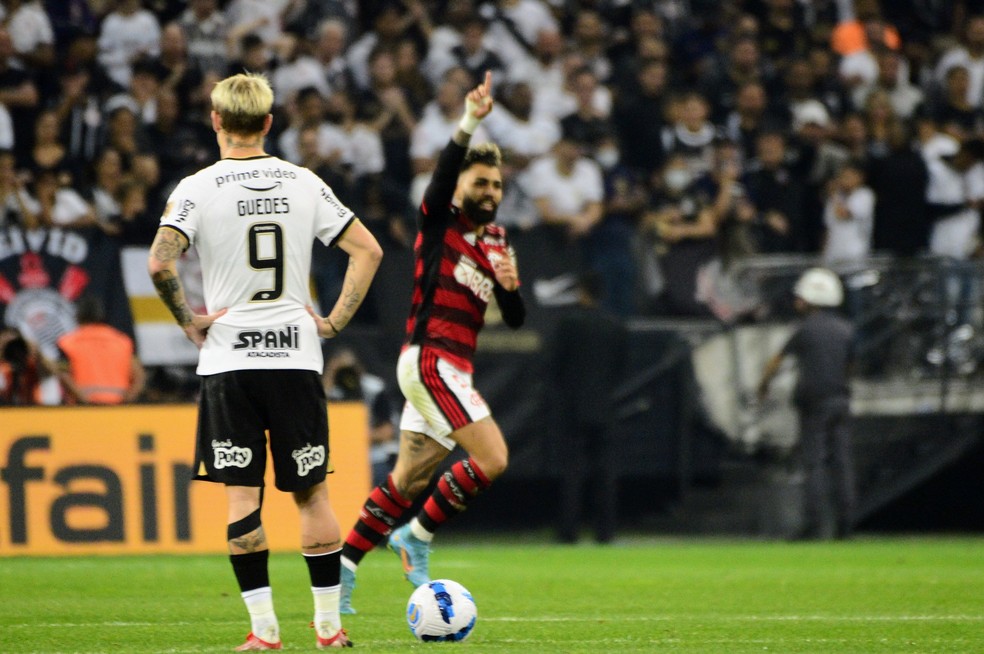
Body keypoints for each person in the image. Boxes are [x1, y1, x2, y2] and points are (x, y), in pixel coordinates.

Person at [147, 72, 382, 651]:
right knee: (313, 495)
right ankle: (329, 628)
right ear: (270, 123)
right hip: (296, 357)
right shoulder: (304, 182)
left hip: (229, 361)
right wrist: (333, 321)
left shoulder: (197, 187)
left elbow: (159, 263)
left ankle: (264, 631)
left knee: (242, 497)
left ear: (216, 121)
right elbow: (368, 250)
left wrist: (188, 319)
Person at [338, 71, 525, 613]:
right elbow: (442, 175)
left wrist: (511, 291)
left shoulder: (495, 239)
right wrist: (470, 120)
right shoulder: (440, 219)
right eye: (480, 183)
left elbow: (512, 319)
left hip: (452, 369)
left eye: (496, 186)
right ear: (461, 186)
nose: (489, 193)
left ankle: (343, 570)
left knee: (407, 479)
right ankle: (415, 536)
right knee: (492, 459)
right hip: (429, 360)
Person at [757, 268, 856, 541]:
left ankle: (813, 525)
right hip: (840, 399)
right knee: (842, 462)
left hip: (813, 402)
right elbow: (850, 365)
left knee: (814, 463)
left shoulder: (805, 330)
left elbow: (776, 362)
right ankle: (846, 522)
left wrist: (763, 386)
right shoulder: (846, 329)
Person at [322, 347, 398, 487]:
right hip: (340, 457)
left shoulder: (374, 389)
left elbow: (387, 432)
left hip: (372, 456)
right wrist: (331, 375)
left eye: (350, 368)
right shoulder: (331, 390)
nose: (346, 375)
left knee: (380, 472)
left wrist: (355, 437)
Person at [56, 294, 145, 405]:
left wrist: (84, 400)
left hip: (82, 409)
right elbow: (139, 376)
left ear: (78, 315)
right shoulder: (122, 341)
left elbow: (64, 375)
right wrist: (126, 400)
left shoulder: (67, 342)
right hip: (118, 407)